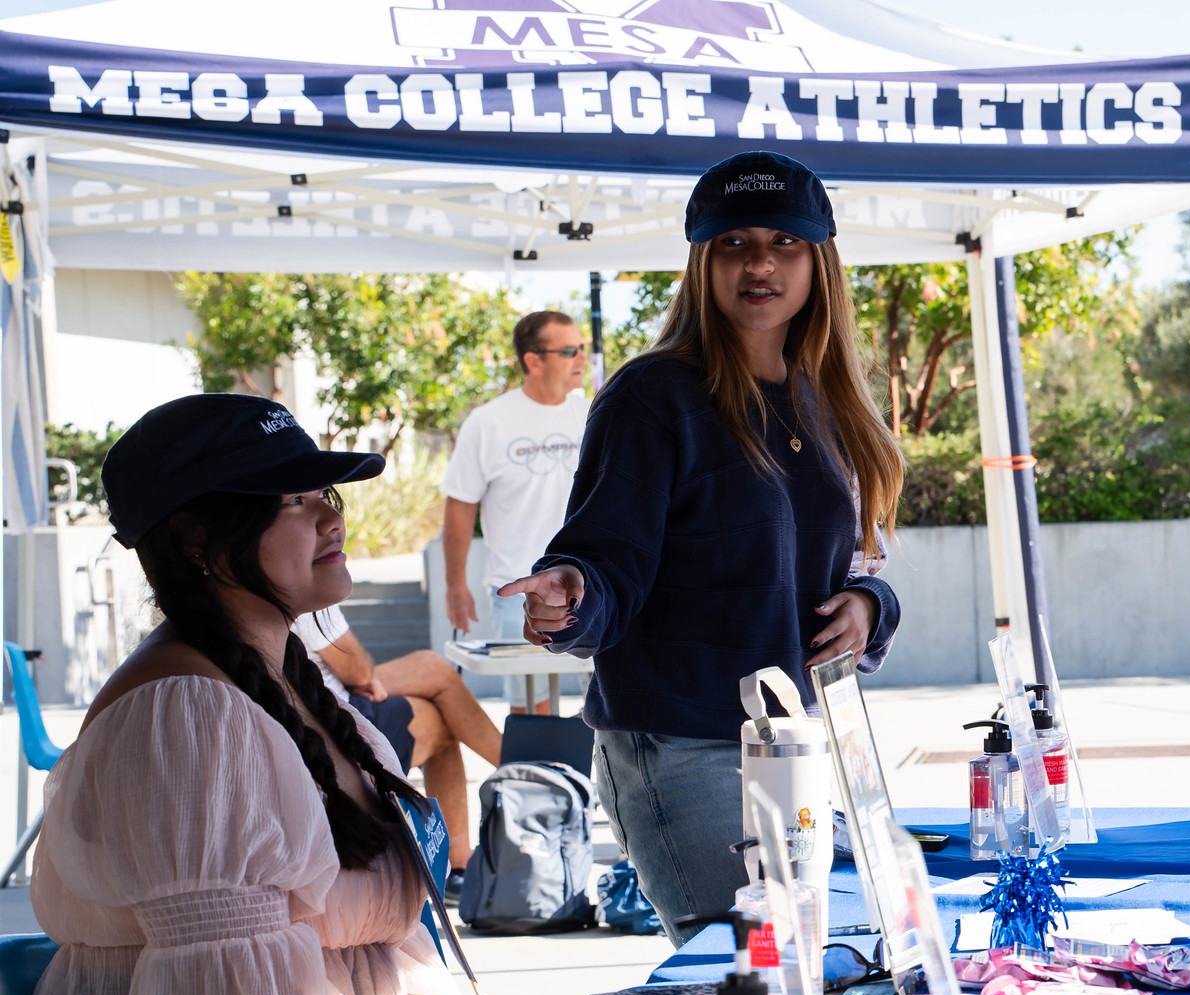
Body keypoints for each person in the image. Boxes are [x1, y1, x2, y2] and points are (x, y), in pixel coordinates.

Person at [0, 394, 491, 995]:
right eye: (295, 499)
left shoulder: (297, 693)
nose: (331, 514)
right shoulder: (183, 715)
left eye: (325, 493)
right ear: (198, 541)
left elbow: (385, 948)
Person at [500, 151, 902, 944]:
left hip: (797, 744)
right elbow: (606, 556)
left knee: (823, 976)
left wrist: (868, 606)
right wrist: (570, 597)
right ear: (701, 260)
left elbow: (859, 564)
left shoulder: (825, 401)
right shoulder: (654, 396)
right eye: (734, 243)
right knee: (749, 983)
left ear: (819, 260)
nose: (759, 263)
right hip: (681, 747)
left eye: (784, 243)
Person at [440, 309, 589, 714]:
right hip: (517, 590)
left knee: (604, 704)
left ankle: (585, 780)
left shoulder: (593, 413)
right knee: (531, 708)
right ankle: (535, 778)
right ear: (533, 360)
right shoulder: (488, 423)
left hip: (590, 586)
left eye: (583, 348)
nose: (582, 359)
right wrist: (455, 585)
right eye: (570, 350)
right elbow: (459, 506)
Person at [291, 607, 504, 884]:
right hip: (332, 712)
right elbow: (357, 671)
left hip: (311, 700)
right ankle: (523, 782)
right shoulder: (303, 583)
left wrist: (365, 681)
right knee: (442, 723)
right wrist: (364, 680)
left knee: (433, 667)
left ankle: (459, 863)